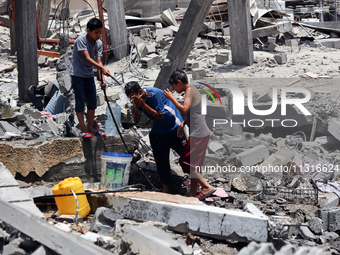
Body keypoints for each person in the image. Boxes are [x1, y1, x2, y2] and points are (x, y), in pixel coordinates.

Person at [124, 81, 186, 193]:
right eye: (130, 98)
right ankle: (165, 189)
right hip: (159, 130)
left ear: (139, 91)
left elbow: (160, 116)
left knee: (187, 156)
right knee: (161, 162)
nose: (132, 100)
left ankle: (199, 183)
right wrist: (137, 107)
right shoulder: (138, 101)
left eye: (133, 97)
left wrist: (143, 105)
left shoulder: (154, 94)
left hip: (174, 127)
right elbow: (137, 121)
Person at [164, 70, 215, 200]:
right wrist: (184, 123)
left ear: (179, 82)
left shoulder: (190, 90)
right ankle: (192, 194)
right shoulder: (192, 90)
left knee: (186, 162)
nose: (174, 90)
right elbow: (195, 113)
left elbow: (184, 109)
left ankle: (207, 186)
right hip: (200, 132)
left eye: (174, 86)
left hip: (198, 134)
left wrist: (172, 99)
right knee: (195, 164)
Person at [70, 17, 111, 138]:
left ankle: (91, 128)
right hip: (78, 75)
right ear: (88, 31)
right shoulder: (81, 40)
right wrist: (102, 69)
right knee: (80, 102)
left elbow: (99, 62)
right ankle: (83, 129)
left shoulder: (98, 43)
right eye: (96, 32)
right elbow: (88, 58)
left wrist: (102, 80)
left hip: (88, 76)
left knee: (92, 102)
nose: (98, 35)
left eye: (100, 32)